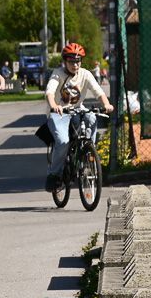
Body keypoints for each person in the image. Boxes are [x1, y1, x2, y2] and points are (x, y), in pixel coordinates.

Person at [44, 43, 114, 192]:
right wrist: (53, 105)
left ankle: (89, 150)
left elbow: (98, 91)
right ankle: (54, 174)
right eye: (71, 61)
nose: (75, 65)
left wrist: (106, 104)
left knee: (92, 117)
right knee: (63, 142)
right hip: (59, 113)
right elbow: (50, 91)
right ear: (65, 62)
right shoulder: (58, 73)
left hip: (77, 110)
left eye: (78, 61)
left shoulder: (86, 74)